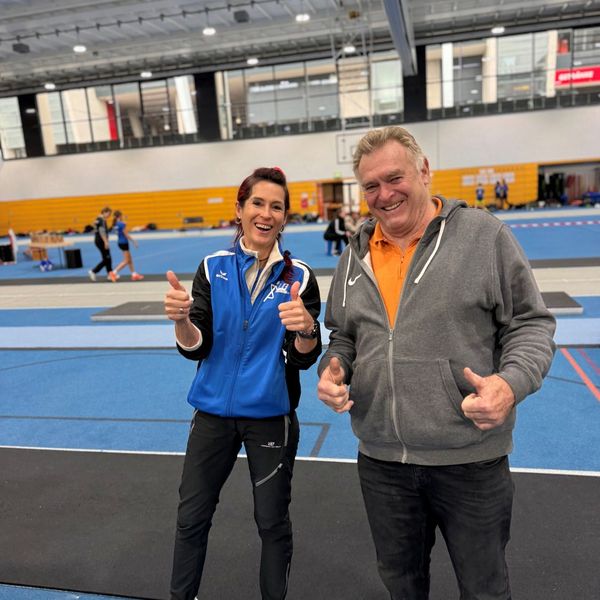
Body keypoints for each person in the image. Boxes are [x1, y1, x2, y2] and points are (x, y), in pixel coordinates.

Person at [316, 126, 556, 600]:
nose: (384, 194)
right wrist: (334, 366)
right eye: (370, 186)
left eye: (394, 178)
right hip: (382, 462)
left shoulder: (484, 237)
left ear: (424, 171)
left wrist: (509, 385)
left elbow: (530, 324)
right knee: (402, 586)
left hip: (469, 460)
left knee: (484, 589)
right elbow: (343, 334)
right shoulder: (354, 255)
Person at [164, 166, 322, 600]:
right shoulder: (211, 267)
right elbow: (197, 345)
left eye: (277, 207)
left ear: (285, 218)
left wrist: (307, 329)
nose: (266, 214)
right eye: (257, 203)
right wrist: (181, 321)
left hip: (270, 417)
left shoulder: (300, 277)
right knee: (191, 519)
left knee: (271, 523)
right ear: (240, 209)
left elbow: (302, 358)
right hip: (211, 415)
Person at [112, 210, 144, 281]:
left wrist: (124, 222)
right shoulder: (121, 224)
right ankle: (114, 272)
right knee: (126, 261)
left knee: (130, 259)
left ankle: (134, 274)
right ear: (120, 216)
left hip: (120, 242)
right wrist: (134, 241)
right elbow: (126, 234)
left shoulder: (115, 224)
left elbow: (121, 229)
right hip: (124, 243)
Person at [88, 206, 117, 282]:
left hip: (99, 240)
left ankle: (110, 274)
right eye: (109, 214)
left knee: (108, 258)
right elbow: (102, 231)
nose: (109, 216)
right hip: (101, 241)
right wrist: (106, 242)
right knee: (106, 259)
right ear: (104, 212)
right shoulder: (101, 220)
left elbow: (98, 229)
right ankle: (93, 271)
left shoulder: (99, 219)